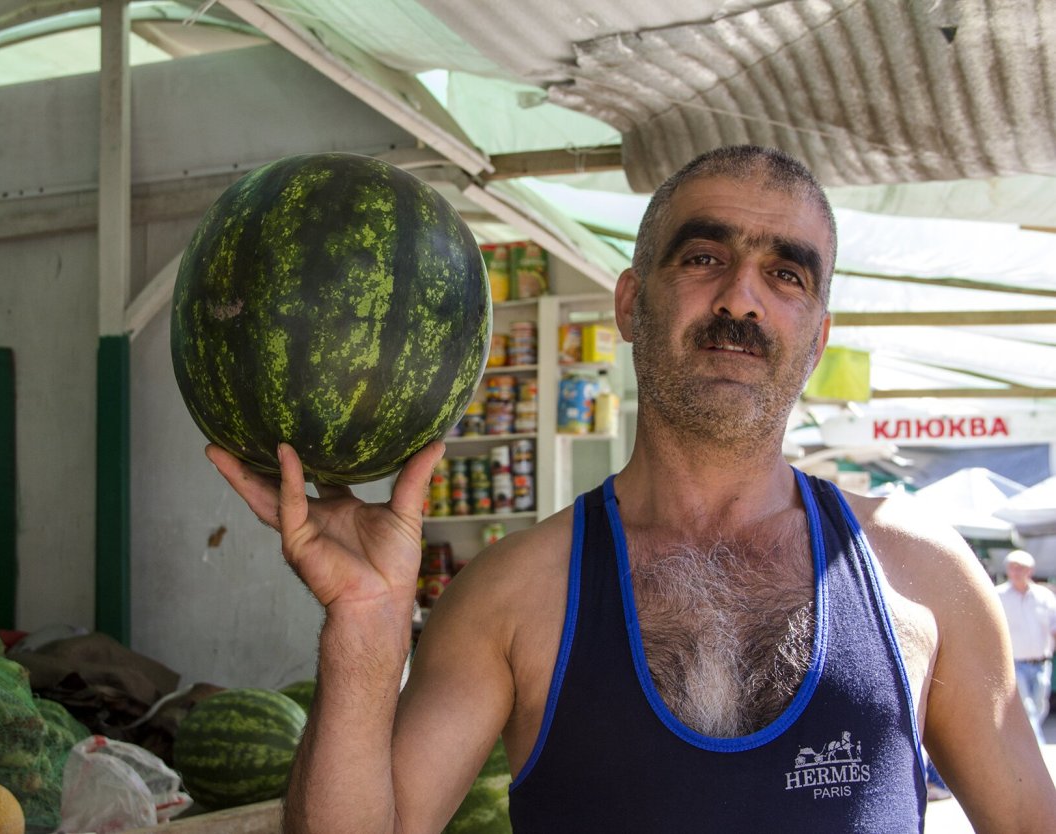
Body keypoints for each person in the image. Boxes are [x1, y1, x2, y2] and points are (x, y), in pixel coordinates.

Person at [207, 145, 1056, 831]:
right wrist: (363, 626)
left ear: (819, 332)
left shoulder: (923, 574)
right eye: (704, 257)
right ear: (629, 301)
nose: (742, 299)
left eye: (787, 275)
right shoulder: (510, 597)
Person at [997, 548, 1056, 744]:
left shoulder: (1044, 596)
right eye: (1012, 568)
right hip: (1015, 662)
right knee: (1028, 708)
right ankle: (1035, 747)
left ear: (1029, 571)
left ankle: (1024, 741)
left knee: (1040, 706)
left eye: (1020, 568)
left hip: (1041, 662)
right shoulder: (999, 596)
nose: (1016, 572)